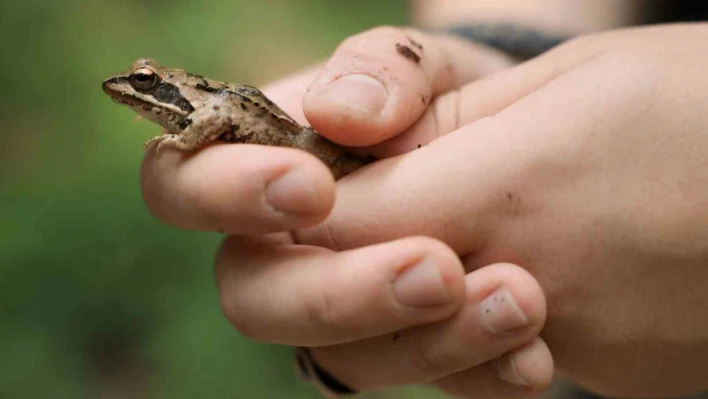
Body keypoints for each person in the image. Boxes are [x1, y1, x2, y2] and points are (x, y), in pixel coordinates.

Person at [139, 1, 708, 398]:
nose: (135, 88)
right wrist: (501, 55)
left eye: (144, 82)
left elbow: (211, 117)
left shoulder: (198, 108)